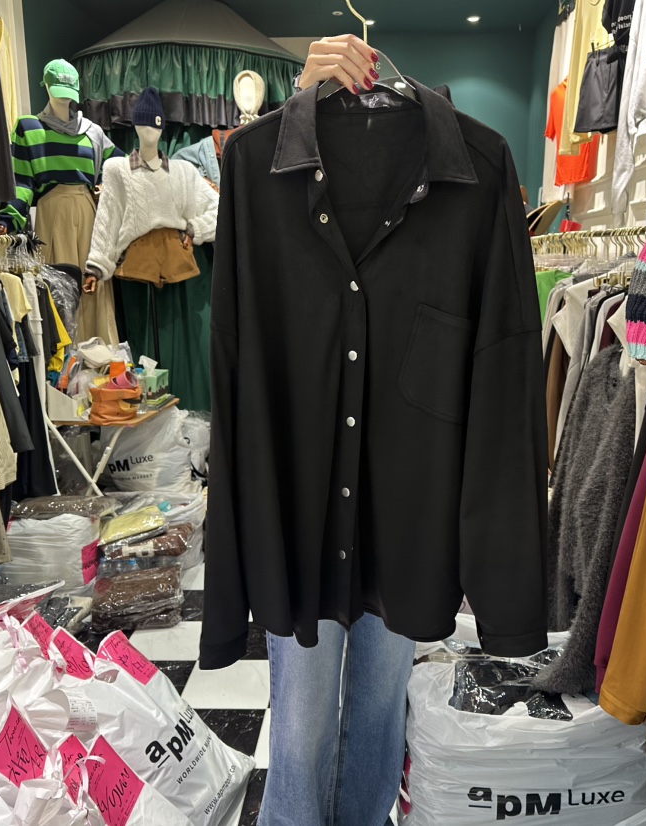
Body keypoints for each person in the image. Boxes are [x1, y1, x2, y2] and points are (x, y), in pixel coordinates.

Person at [257, 35, 412, 826]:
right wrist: (297, 107)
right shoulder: (265, 176)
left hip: (402, 499)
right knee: (303, 715)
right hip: (304, 496)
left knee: (382, 709)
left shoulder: (451, 174)